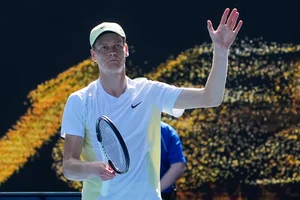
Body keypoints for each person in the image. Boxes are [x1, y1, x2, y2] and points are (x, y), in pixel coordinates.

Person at [61, 8, 243, 200]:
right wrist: (93, 169)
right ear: (93, 55)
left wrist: (221, 52)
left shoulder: (150, 91)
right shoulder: (79, 101)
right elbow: (69, 167)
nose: (112, 52)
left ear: (126, 50)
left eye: (117, 46)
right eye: (103, 48)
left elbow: (210, 98)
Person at [160, 121, 186, 200]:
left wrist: (154, 192)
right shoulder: (166, 130)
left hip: (162, 194)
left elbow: (178, 166)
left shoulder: (165, 131)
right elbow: (178, 166)